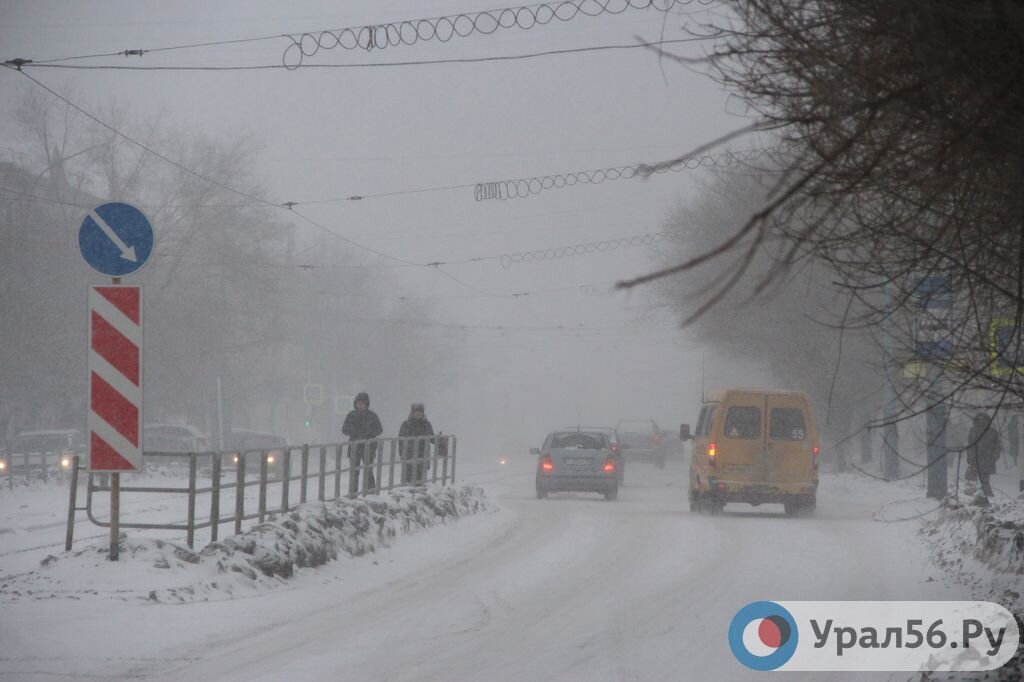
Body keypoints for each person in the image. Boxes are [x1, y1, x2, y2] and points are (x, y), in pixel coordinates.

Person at [342, 392, 383, 495]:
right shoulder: (351, 415)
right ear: (355, 404)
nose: (360, 406)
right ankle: (353, 494)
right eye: (358, 403)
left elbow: (379, 430)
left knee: (368, 470)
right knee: (354, 472)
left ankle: (370, 492)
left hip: (369, 448)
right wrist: (355, 432)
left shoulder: (372, 416)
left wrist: (368, 434)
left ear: (367, 404)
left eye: (363, 404)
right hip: (354, 447)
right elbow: (344, 430)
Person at [966, 412, 1001, 502]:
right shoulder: (973, 430)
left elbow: (997, 445)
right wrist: (970, 457)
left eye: (983, 419)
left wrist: (994, 456)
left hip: (988, 458)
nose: (981, 421)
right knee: (979, 477)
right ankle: (984, 494)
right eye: (980, 419)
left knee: (984, 476)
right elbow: (970, 445)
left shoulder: (993, 432)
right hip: (977, 458)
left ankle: (984, 494)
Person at [398, 403, 434, 484]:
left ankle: (419, 494)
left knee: (421, 480)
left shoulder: (426, 424)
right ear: (412, 412)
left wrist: (439, 439)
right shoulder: (406, 424)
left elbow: (432, 438)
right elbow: (401, 440)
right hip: (409, 456)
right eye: (416, 411)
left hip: (422, 455)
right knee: (408, 480)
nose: (418, 413)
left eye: (420, 411)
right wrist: (402, 454)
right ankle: (410, 494)